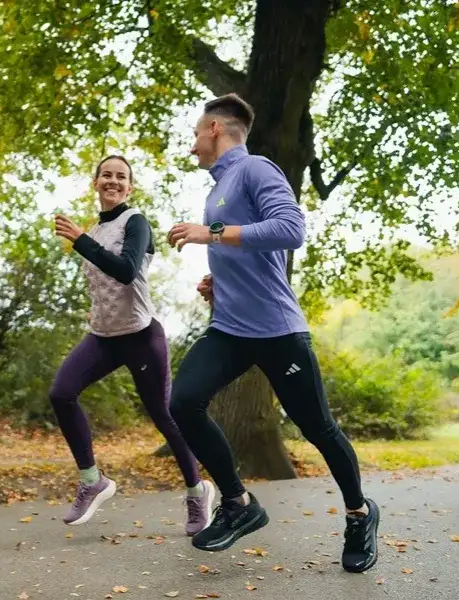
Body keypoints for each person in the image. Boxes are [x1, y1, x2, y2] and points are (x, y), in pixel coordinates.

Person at [164, 94, 380, 573]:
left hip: (278, 331)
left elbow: (290, 228)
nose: (194, 143)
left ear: (217, 129)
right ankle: (240, 504)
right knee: (183, 402)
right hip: (231, 329)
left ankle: (359, 513)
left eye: (197, 132)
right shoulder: (216, 189)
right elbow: (251, 251)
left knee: (317, 427)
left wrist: (211, 234)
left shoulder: (256, 168)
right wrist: (219, 282)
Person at [50, 155, 216, 535]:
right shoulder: (93, 227)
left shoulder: (135, 221)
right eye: (106, 175)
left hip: (141, 335)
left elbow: (125, 271)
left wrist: (80, 240)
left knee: (164, 417)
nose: (113, 181)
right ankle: (93, 480)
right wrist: (85, 238)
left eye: (121, 177)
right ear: (95, 183)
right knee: (61, 393)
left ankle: (197, 491)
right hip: (103, 337)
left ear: (130, 186)